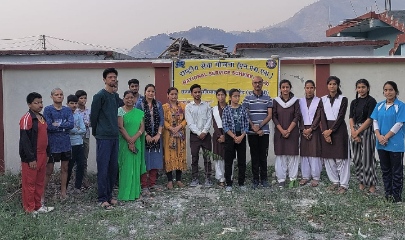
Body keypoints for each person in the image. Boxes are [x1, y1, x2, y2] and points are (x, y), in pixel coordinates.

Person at [90, 68, 121, 210]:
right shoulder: (99, 96)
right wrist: (97, 133)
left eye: (115, 77)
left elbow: (123, 107)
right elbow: (94, 117)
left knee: (113, 168)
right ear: (104, 80)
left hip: (115, 136)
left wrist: (116, 91)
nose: (113, 79)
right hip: (103, 137)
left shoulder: (115, 97)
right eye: (110, 77)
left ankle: (109, 195)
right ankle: (102, 198)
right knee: (103, 168)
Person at [19, 92, 54, 214]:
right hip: (32, 157)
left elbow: (46, 137)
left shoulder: (42, 118)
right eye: (36, 103)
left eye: (41, 102)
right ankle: (29, 208)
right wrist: (30, 158)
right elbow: (25, 140)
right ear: (29, 104)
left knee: (39, 182)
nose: (40, 105)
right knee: (30, 183)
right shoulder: (26, 118)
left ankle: (38, 206)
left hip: (43, 155)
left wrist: (48, 153)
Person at [371, 81, 405, 203]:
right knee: (385, 170)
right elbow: (375, 121)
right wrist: (379, 136)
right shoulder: (379, 105)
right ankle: (388, 194)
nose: (388, 92)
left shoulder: (400, 106)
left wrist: (386, 137)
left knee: (396, 171)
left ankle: (396, 197)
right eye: (386, 90)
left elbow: (399, 123)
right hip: (381, 143)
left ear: (396, 91)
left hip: (395, 144)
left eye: (391, 90)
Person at [43, 88, 74, 201]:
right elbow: (49, 126)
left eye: (61, 94)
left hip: (65, 143)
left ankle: (63, 192)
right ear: (52, 96)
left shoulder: (67, 110)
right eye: (57, 94)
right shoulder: (48, 109)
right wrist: (63, 125)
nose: (59, 96)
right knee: (49, 170)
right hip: (52, 143)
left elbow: (71, 124)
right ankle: (42, 195)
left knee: (65, 168)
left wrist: (57, 125)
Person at [320, 76, 350, 194]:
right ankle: (334, 181)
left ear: (338, 86)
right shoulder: (322, 99)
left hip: (339, 130)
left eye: (334, 84)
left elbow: (340, 116)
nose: (332, 86)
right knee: (328, 158)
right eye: (330, 84)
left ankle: (343, 184)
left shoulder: (343, 99)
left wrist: (331, 131)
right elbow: (322, 116)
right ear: (327, 86)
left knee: (341, 158)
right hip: (326, 130)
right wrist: (325, 132)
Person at [242, 76, 273, 189]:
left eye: (259, 82)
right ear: (252, 84)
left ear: (263, 83)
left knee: (263, 156)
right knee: (254, 156)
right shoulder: (247, 98)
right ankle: (255, 179)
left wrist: (259, 127)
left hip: (264, 132)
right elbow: (245, 114)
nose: (257, 84)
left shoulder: (268, 98)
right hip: (251, 133)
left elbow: (269, 115)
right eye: (255, 83)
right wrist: (253, 127)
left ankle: (264, 179)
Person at [349, 79, 377, 193]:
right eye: (359, 87)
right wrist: (353, 131)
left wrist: (358, 131)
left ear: (368, 88)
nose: (361, 89)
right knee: (357, 158)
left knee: (368, 158)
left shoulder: (372, 101)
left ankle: (371, 183)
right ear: (356, 89)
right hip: (355, 130)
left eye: (363, 87)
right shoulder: (354, 102)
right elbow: (351, 117)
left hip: (367, 130)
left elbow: (370, 119)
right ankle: (361, 181)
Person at [117, 90, 146, 201]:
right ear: (123, 99)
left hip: (136, 142)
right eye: (127, 98)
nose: (129, 100)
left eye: (131, 98)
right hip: (124, 143)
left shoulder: (139, 112)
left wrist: (134, 139)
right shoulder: (120, 111)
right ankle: (125, 193)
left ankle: (136, 193)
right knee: (126, 167)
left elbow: (142, 127)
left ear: (135, 99)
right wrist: (130, 141)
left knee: (136, 166)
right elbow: (120, 127)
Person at [136, 84, 164, 196]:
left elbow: (161, 120)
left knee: (155, 158)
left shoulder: (158, 104)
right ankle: (144, 185)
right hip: (144, 135)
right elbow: (138, 120)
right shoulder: (140, 104)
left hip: (156, 136)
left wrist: (158, 134)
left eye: (153, 91)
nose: (151, 93)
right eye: (148, 91)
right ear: (145, 92)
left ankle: (152, 183)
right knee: (145, 159)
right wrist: (146, 134)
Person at [273, 79, 300, 188]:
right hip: (280, 132)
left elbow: (297, 116)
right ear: (280, 89)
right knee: (281, 155)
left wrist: (288, 130)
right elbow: (274, 117)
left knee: (293, 155)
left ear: (290, 88)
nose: (285, 89)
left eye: (287, 87)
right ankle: (281, 179)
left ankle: (293, 179)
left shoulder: (295, 101)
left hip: (292, 132)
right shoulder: (275, 101)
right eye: (283, 87)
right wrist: (282, 130)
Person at [185, 84, 213, 187]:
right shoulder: (188, 107)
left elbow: (209, 119)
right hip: (194, 136)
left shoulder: (206, 105)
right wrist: (198, 133)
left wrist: (204, 131)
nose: (197, 94)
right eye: (195, 92)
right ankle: (195, 178)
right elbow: (190, 122)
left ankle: (208, 178)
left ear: (201, 93)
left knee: (207, 157)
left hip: (206, 135)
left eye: (199, 92)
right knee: (195, 157)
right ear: (192, 94)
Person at [222, 89, 249, 192]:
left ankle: (241, 182)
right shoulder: (226, 109)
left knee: (242, 160)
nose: (237, 98)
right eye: (235, 96)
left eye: (238, 96)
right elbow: (225, 126)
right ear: (230, 97)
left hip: (241, 136)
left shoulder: (243, 109)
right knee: (228, 161)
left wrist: (241, 136)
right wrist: (234, 137)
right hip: (230, 137)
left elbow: (246, 124)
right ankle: (229, 183)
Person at [299, 80, 323, 187]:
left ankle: (315, 177)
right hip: (303, 129)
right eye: (307, 88)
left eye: (311, 88)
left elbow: (319, 116)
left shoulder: (319, 101)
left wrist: (311, 129)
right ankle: (305, 176)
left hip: (315, 129)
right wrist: (303, 129)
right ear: (304, 89)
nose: (309, 90)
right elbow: (298, 116)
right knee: (304, 153)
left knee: (314, 152)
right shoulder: (300, 101)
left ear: (314, 88)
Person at [162, 87, 187, 189]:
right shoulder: (164, 107)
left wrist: (179, 126)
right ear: (167, 95)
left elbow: (186, 119)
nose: (174, 96)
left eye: (175, 94)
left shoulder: (183, 106)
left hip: (180, 135)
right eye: (171, 94)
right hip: (169, 135)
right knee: (169, 156)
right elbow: (162, 120)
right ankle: (169, 181)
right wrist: (170, 128)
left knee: (179, 155)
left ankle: (179, 179)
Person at [66, 95, 86, 193]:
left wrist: (74, 130)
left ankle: (77, 187)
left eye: (75, 103)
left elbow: (83, 129)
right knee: (69, 167)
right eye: (71, 103)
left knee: (81, 165)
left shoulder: (78, 115)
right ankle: (64, 188)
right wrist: (75, 129)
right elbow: (67, 128)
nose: (74, 105)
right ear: (67, 104)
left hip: (80, 143)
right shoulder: (65, 115)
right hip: (70, 144)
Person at [75, 90, 91, 189]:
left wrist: (89, 123)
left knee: (84, 159)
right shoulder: (75, 111)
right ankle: (75, 180)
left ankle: (84, 179)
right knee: (75, 160)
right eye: (81, 98)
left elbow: (92, 121)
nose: (83, 100)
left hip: (86, 136)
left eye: (85, 98)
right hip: (76, 137)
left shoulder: (89, 111)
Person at [212, 88, 227, 187]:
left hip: (228, 134)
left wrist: (225, 136)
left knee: (228, 157)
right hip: (218, 135)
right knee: (218, 158)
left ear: (226, 96)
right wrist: (220, 135)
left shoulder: (229, 108)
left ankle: (228, 176)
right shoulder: (213, 109)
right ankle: (221, 178)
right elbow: (214, 123)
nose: (221, 97)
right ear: (216, 96)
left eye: (222, 95)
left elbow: (232, 123)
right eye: (219, 95)